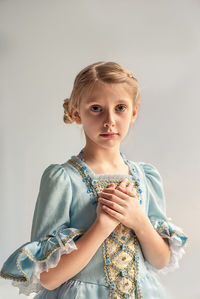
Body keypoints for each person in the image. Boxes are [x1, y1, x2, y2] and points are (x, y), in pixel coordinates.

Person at [0, 61, 188, 299]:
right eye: (96, 108)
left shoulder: (146, 177)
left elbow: (160, 261)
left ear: (134, 112)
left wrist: (139, 221)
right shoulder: (63, 180)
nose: (109, 120)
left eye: (120, 107)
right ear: (76, 114)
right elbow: (49, 278)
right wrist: (102, 226)